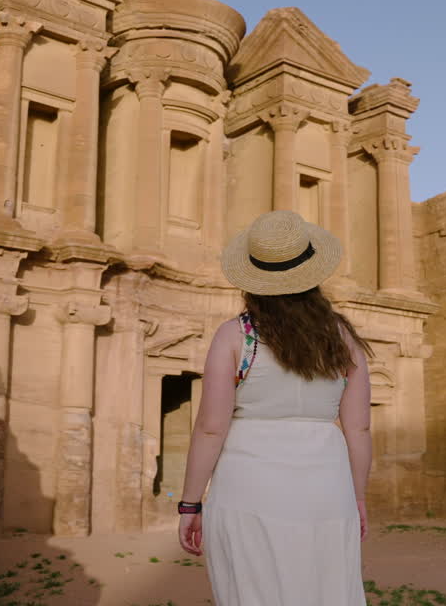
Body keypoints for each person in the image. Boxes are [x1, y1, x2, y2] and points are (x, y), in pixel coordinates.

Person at [176, 210, 373, 606]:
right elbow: (359, 429)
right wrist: (358, 496)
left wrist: (190, 504)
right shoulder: (343, 338)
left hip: (248, 487)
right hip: (327, 488)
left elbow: (211, 428)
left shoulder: (235, 335)